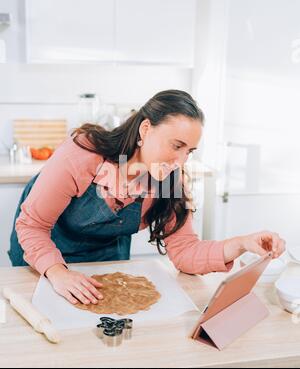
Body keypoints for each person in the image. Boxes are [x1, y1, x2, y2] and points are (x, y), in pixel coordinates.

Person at [8, 90, 286, 306]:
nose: (180, 160)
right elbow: (32, 226)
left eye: (189, 151)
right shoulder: (84, 155)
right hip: (42, 250)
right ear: (145, 130)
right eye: (176, 146)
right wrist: (57, 273)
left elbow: (186, 252)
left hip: (106, 254)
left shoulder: (168, 182)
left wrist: (241, 243)